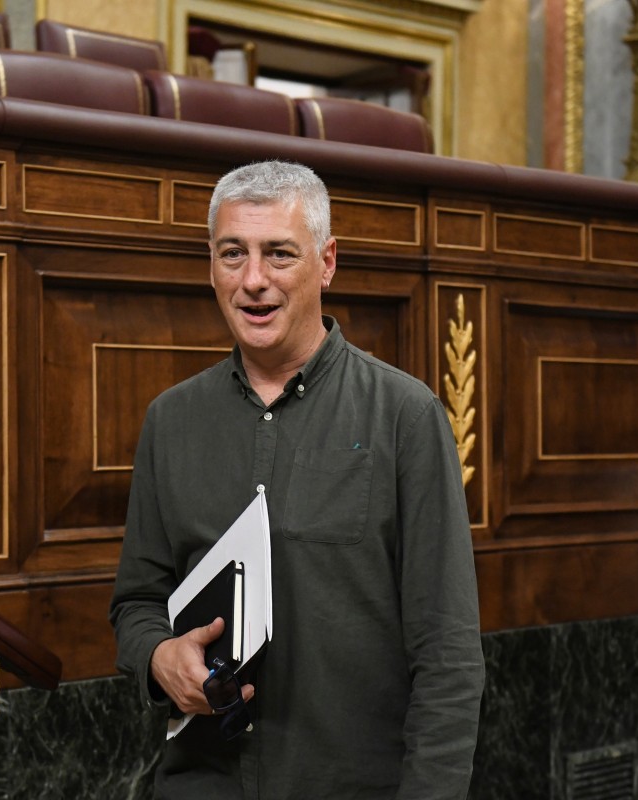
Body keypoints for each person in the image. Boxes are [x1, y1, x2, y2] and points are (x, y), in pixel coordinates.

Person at [109, 160, 484, 799]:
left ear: (327, 262)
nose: (253, 280)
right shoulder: (170, 420)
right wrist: (157, 657)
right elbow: (137, 602)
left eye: (279, 254)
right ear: (211, 264)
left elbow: (447, 653)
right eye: (233, 254)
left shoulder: (406, 416)